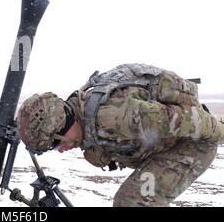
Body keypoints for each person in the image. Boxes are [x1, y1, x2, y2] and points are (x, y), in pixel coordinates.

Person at [16, 63, 224, 207]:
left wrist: (220, 132)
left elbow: (191, 120)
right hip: (163, 145)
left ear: (62, 126)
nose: (60, 150)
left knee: (133, 201)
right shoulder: (81, 113)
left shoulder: (116, 117)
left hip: (193, 144)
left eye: (55, 144)